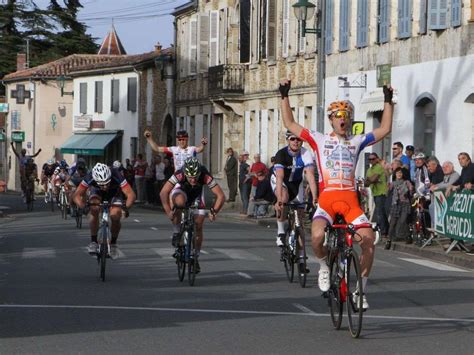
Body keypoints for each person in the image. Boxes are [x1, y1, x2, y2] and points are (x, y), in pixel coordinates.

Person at [279, 78, 394, 310]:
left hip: (351, 202)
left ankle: (360, 290)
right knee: (317, 236)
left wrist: (388, 101)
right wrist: (284, 95)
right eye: (338, 116)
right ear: (331, 120)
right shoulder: (319, 140)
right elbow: (290, 123)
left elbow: (384, 129)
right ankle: (323, 265)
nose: (343, 119)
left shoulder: (357, 141)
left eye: (346, 116)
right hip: (328, 200)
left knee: (369, 241)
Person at [160, 157, 225, 273]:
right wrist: (168, 211)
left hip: (197, 196)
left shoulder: (205, 175)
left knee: (199, 224)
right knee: (179, 203)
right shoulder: (180, 173)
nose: (193, 180)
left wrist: (214, 211)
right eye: (190, 177)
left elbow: (220, 195)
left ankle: (195, 257)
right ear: (185, 173)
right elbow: (164, 192)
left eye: (195, 177)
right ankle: (176, 232)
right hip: (182, 192)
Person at [73, 163, 136, 259]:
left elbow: (131, 194)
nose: (105, 186)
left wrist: (126, 208)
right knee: (94, 209)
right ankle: (93, 241)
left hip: (114, 193)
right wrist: (83, 207)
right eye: (102, 184)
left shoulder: (116, 174)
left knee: (115, 215)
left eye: (107, 182)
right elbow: (76, 195)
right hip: (97, 192)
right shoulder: (90, 176)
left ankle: (113, 244)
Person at [272, 130, 317, 249]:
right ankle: (281, 232)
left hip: (296, 184)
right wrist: (278, 199)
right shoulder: (281, 154)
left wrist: (315, 197)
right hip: (281, 181)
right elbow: (280, 176)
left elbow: (310, 176)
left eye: (298, 139)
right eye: (293, 139)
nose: (296, 142)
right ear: (288, 140)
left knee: (300, 218)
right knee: (284, 198)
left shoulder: (306, 153)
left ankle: (301, 258)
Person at [144, 129, 208, 172]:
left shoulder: (192, 149)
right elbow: (157, 149)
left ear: (187, 139)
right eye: (179, 140)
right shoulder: (174, 149)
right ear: (177, 140)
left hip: (189, 177)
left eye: (183, 139)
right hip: (178, 178)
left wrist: (203, 144)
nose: (181, 141)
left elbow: (200, 149)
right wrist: (149, 139)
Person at [386, 167, 414, 249]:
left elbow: (411, 190)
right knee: (392, 223)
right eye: (397, 173)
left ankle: (408, 235)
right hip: (396, 204)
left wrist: (410, 190)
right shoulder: (393, 183)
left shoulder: (406, 182)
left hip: (405, 203)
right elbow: (387, 191)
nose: (399, 174)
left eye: (400, 173)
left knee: (403, 220)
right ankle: (389, 240)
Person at [365, 153, 389, 241]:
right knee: (382, 212)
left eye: (373, 159)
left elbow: (372, 179)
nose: (371, 161)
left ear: (377, 159)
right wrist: (371, 180)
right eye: (369, 159)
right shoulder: (369, 170)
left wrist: (371, 180)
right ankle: (387, 230)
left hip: (381, 192)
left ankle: (383, 232)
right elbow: (366, 183)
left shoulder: (379, 167)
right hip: (375, 192)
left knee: (380, 213)